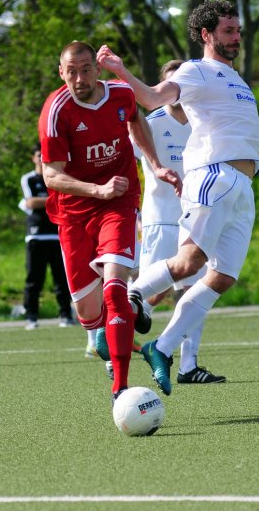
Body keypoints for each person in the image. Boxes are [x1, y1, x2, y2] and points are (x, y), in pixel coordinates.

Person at [97, 0, 259, 396]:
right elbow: (153, 98)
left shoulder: (236, 78)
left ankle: (162, 348)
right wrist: (120, 72)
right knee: (189, 262)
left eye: (237, 30)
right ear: (206, 35)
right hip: (214, 176)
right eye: (228, 31)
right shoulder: (195, 70)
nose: (236, 37)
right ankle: (132, 296)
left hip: (243, 188)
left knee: (221, 277)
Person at [38, 41, 181, 403]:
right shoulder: (55, 111)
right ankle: (141, 348)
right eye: (71, 70)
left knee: (115, 288)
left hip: (119, 202)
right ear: (60, 71)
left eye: (86, 68)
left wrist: (155, 164)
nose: (79, 77)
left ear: (97, 69)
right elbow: (51, 176)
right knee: (88, 313)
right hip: (74, 213)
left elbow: (137, 120)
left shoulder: (119, 94)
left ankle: (121, 387)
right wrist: (96, 189)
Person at [136, 59, 225, 385]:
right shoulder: (151, 122)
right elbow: (124, 163)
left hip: (196, 221)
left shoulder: (204, 123)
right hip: (160, 221)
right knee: (150, 296)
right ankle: (115, 343)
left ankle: (188, 365)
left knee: (194, 290)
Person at [19, 142, 76, 331]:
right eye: (38, 155)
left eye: (44, 155)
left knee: (62, 278)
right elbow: (31, 202)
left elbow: (67, 198)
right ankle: (31, 317)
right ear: (33, 158)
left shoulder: (58, 177)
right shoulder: (28, 179)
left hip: (57, 235)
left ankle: (66, 315)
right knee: (34, 279)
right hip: (36, 235)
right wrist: (55, 199)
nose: (41, 158)